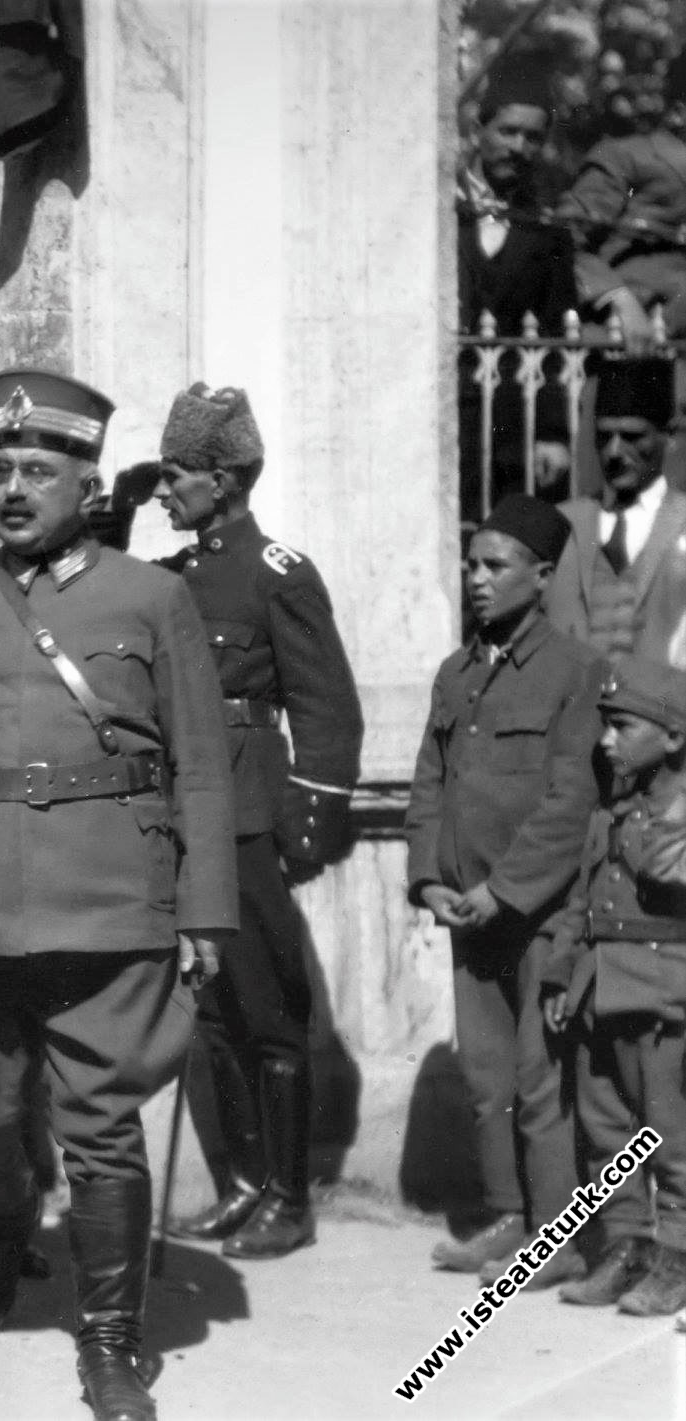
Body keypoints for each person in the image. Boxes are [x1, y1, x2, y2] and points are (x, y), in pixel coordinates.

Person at [0, 368, 236, 1421]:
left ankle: (111, 1339)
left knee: (103, 1125)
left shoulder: (151, 596)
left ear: (88, 485)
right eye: (0, 469)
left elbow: (202, 761)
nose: (12, 488)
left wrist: (204, 908)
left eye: (38, 469)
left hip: (108, 900)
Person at [135, 385, 364, 1260]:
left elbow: (327, 707)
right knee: (216, 1012)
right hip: (190, 819)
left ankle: (288, 1195)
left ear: (223, 480)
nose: (163, 494)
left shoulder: (279, 573)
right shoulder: (176, 577)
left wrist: (305, 827)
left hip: (250, 816)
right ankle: (238, 1183)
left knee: (269, 1009)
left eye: (175, 477)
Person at [406, 494, 604, 1289]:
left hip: (540, 914)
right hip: (467, 910)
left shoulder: (574, 673)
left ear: (542, 574)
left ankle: (555, 1234)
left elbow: (569, 803)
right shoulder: (455, 674)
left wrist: (507, 889)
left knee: (538, 1076)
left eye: (495, 565)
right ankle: (505, 1218)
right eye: (471, 563)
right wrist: (427, 879)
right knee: (486, 1080)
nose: (476, 579)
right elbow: (428, 783)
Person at [542, 658, 686, 1315]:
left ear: (673, 736)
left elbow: (663, 867)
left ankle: (677, 1260)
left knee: (667, 1133)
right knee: (606, 1130)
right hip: (599, 987)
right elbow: (582, 896)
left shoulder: (673, 812)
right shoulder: (611, 808)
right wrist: (559, 969)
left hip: (661, 991)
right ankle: (625, 1247)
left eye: (622, 726)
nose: (605, 740)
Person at [455, 60, 579, 511]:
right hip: (437, 414)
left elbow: (553, 336)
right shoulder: (435, 210)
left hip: (510, 422)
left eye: (533, 138)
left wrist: (551, 433)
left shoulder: (548, 231)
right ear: (478, 129)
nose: (519, 147)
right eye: (508, 131)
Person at [546, 356, 686, 666]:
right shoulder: (563, 523)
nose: (614, 452)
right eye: (604, 436)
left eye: (632, 437)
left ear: (670, 437)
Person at [556, 53, 686, 350]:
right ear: (679, 112)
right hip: (629, 343)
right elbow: (566, 235)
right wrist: (616, 297)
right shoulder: (625, 156)